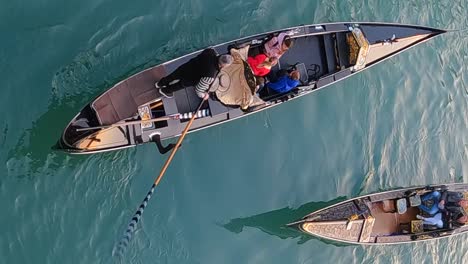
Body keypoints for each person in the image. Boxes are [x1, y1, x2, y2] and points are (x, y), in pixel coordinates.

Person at [155, 48, 233, 99]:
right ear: (223, 65)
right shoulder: (210, 76)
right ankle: (165, 90)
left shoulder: (210, 51)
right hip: (191, 78)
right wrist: (204, 95)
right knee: (179, 85)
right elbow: (198, 89)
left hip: (187, 66)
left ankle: (159, 83)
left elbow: (210, 53)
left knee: (174, 75)